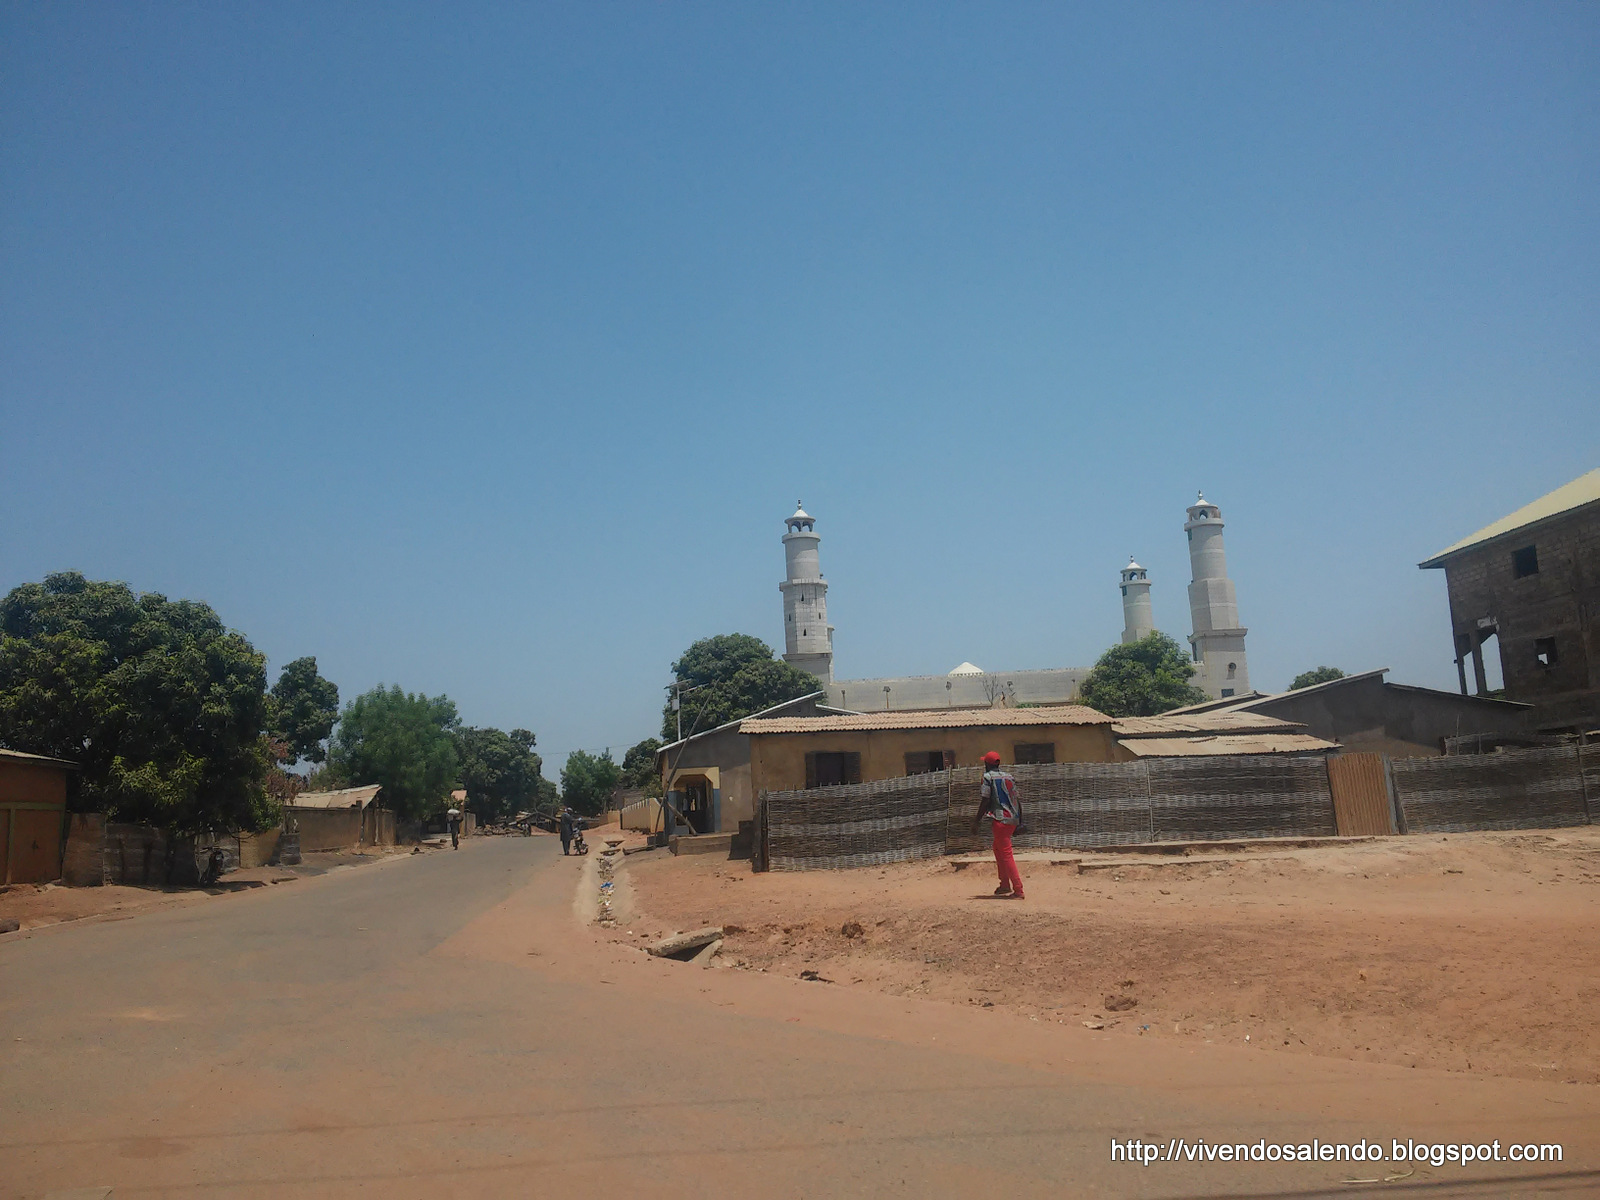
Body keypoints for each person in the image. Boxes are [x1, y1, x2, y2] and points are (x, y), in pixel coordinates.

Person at [971, 750, 1024, 899]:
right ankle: (1004, 885)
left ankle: (1018, 889)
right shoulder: (1009, 777)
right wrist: (1020, 821)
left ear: (986, 764)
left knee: (1006, 854)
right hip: (1013, 818)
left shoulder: (988, 778)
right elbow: (1016, 800)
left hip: (1001, 820)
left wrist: (976, 821)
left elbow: (986, 800)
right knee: (998, 848)